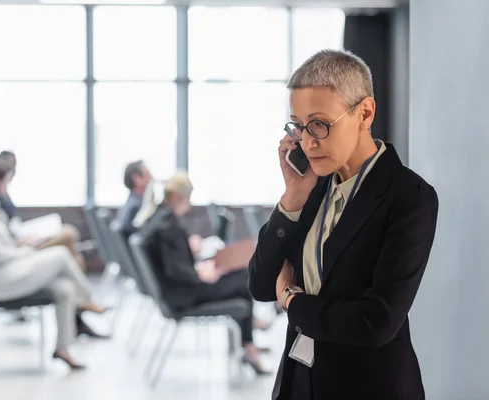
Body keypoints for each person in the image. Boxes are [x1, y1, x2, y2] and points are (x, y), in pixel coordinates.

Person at [248, 49, 439, 399]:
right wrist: (291, 199)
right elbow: (261, 285)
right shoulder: (312, 185)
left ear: (364, 113)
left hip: (369, 385)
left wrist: (292, 301)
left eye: (319, 124)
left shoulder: (409, 196)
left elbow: (376, 322)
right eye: (299, 126)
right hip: (299, 381)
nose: (307, 142)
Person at [0, 169, 108, 369]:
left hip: (4, 272)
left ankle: (62, 348)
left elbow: (1, 245)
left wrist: (25, 248)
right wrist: (30, 251)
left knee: (65, 288)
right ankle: (87, 300)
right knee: (60, 254)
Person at [140, 172, 270, 375]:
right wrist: (202, 274)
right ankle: (248, 344)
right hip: (184, 296)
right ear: (176, 197)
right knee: (244, 280)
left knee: (239, 284)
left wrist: (200, 268)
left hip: (176, 291)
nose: (189, 205)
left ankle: (248, 343)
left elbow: (173, 264)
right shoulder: (167, 226)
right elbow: (176, 270)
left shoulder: (157, 219)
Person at [0, 158, 87, 271]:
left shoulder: (0, 200)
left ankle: (74, 282)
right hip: (20, 245)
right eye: (6, 182)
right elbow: (4, 238)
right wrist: (23, 240)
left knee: (72, 246)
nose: (6, 186)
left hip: (21, 237)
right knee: (69, 236)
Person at [116, 160, 153, 240]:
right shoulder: (136, 208)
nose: (152, 178)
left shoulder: (130, 204)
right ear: (136, 179)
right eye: (148, 174)